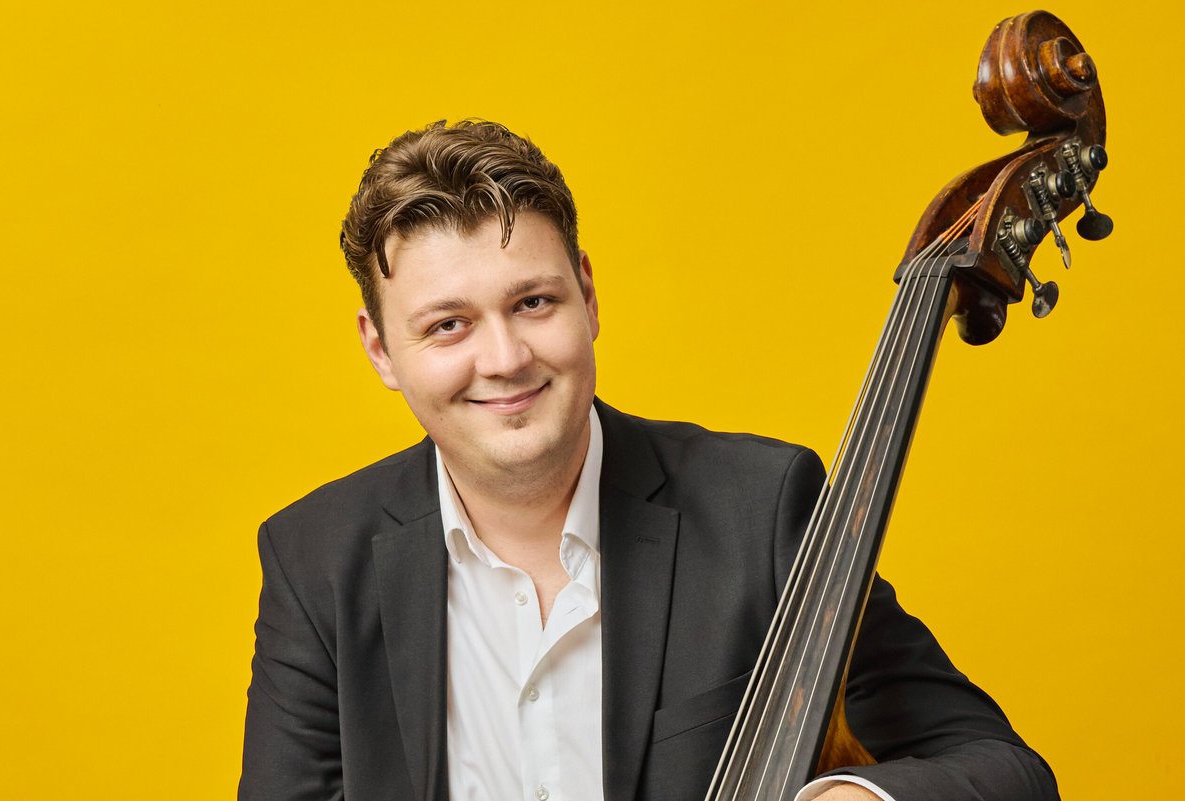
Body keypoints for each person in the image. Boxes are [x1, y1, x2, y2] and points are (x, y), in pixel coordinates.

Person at [240, 119, 1058, 801]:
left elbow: (1006, 771)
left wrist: (857, 799)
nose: (503, 357)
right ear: (381, 349)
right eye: (447, 325)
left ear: (588, 295)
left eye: (533, 302)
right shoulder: (317, 562)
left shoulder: (760, 508)